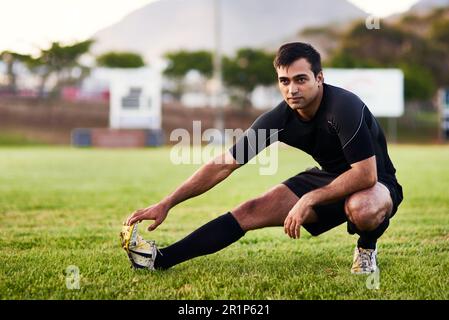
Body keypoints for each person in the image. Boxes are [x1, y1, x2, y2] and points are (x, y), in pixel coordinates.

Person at [125, 42, 403, 274]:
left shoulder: (344, 106)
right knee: (249, 210)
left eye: (301, 79)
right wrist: (167, 203)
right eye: (285, 81)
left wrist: (309, 198)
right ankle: (160, 260)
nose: (292, 89)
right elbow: (223, 165)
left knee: (362, 207)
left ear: (319, 78)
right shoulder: (278, 119)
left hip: (377, 183)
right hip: (328, 178)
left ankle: (366, 247)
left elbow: (366, 174)